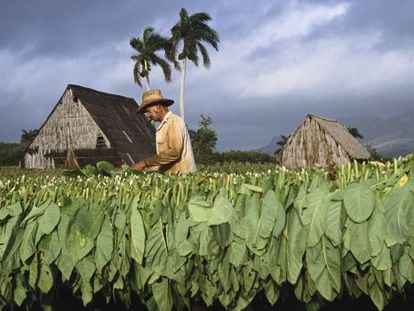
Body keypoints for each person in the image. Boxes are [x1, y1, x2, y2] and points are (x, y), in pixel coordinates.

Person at [131, 89, 196, 173]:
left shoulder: (173, 121)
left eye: (148, 111)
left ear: (157, 106)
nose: (147, 115)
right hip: (171, 177)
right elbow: (163, 160)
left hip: (183, 177)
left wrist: (145, 163)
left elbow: (174, 152)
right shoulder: (163, 126)